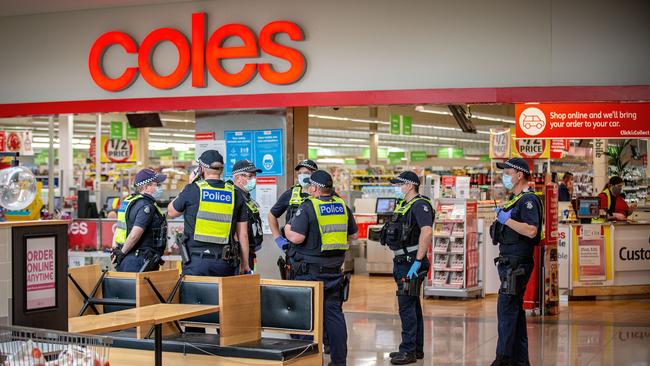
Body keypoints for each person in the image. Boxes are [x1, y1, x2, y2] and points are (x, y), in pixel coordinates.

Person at [284, 170, 358, 366]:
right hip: (334, 272)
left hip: (309, 273)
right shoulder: (343, 206)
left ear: (315, 188)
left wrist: (286, 230)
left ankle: (306, 361)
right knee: (334, 316)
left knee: (304, 318)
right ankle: (339, 361)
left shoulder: (309, 207)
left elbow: (297, 237)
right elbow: (353, 236)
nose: (309, 189)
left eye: (310, 186)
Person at [490, 158, 543, 366]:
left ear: (519, 175)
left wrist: (506, 220)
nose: (505, 177)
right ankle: (520, 361)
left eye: (508, 173)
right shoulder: (515, 199)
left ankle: (502, 359)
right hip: (509, 262)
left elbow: (531, 230)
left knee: (506, 309)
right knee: (515, 311)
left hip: (517, 264)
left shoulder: (528, 200)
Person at [167, 150, 250, 276]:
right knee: (222, 295)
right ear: (221, 170)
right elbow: (243, 235)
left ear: (201, 169)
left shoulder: (193, 189)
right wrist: (245, 264)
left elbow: (171, 212)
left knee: (194, 296)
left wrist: (189, 184)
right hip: (225, 262)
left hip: (196, 262)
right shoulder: (235, 194)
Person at [380, 171, 433, 365]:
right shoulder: (405, 205)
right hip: (403, 261)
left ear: (410, 185)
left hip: (411, 262)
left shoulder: (420, 205)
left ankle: (408, 351)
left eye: (400, 184)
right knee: (412, 305)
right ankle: (416, 349)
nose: (398, 187)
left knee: (406, 307)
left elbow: (427, 232)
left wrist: (418, 261)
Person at [111, 168, 168, 272]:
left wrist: (116, 250)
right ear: (146, 187)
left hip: (127, 259)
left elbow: (118, 229)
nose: (160, 187)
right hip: (139, 261)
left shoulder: (129, 202)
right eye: (156, 184)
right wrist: (122, 253)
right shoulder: (146, 206)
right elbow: (134, 234)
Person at [268, 159, 319, 250]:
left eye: (306, 173)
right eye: (299, 173)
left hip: (315, 246)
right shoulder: (291, 193)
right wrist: (278, 239)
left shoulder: (321, 193)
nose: (302, 176)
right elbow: (271, 215)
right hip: (294, 247)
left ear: (314, 175)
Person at [231, 159, 263, 272]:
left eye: (255, 175)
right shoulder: (234, 197)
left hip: (249, 252)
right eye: (250, 176)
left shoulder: (246, 197)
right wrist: (243, 261)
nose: (254, 179)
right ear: (238, 177)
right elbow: (237, 231)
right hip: (239, 254)